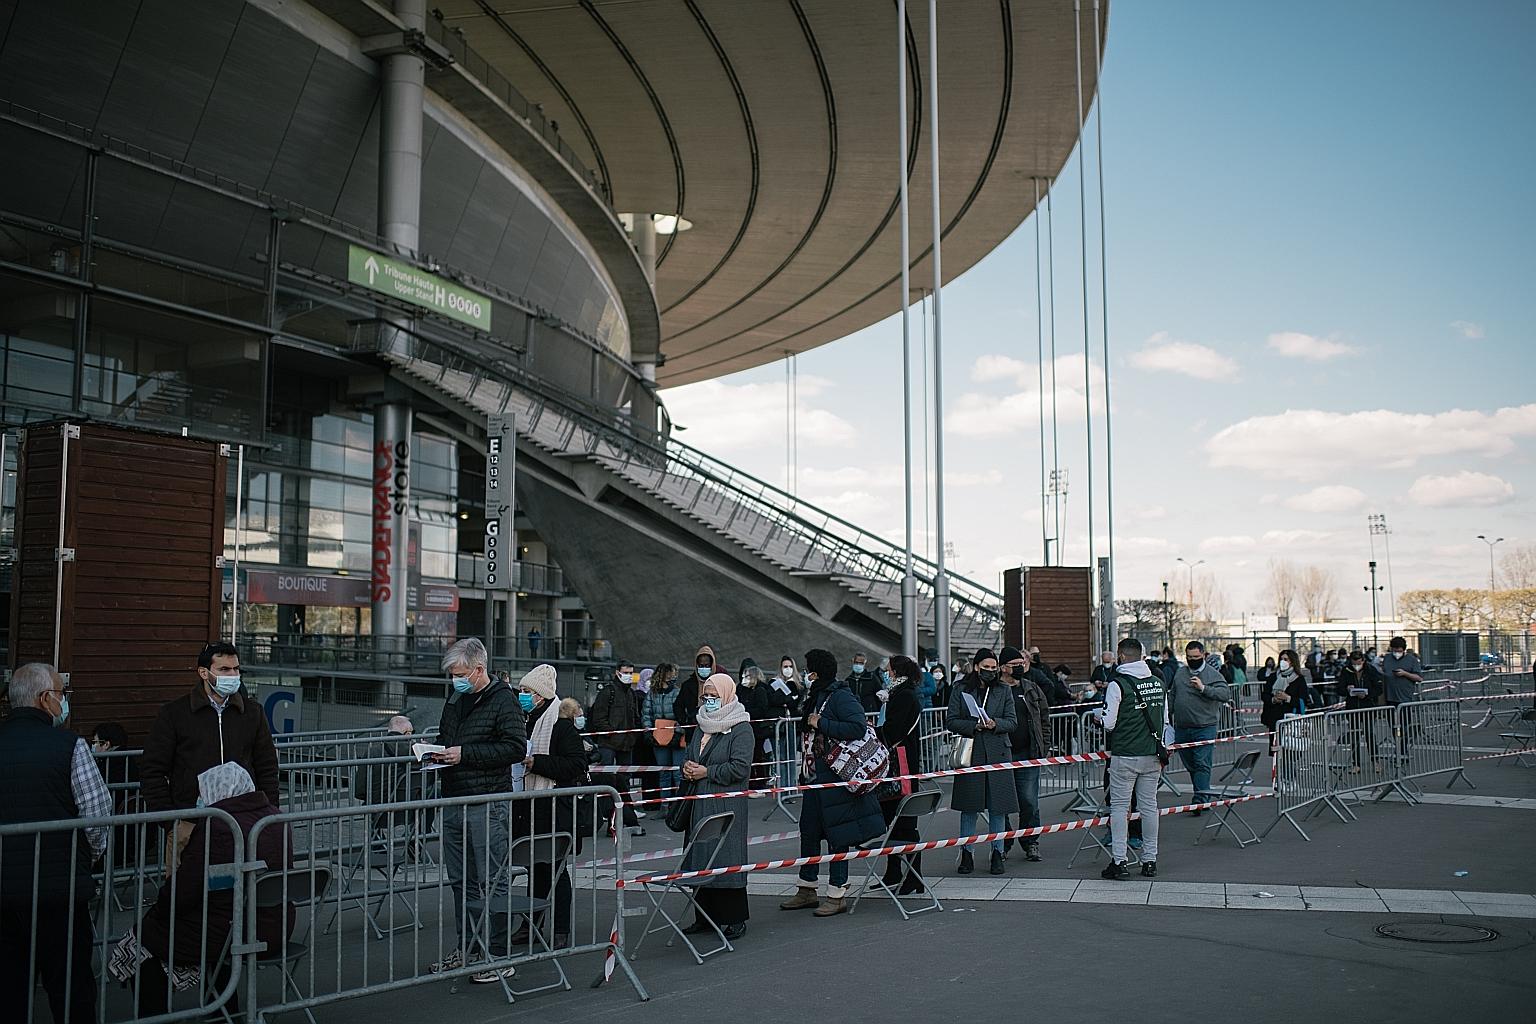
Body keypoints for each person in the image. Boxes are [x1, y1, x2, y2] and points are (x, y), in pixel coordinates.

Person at [127, 763, 292, 1018]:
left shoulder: (218, 826)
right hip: (275, 926)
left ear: (219, 792)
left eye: (203, 792)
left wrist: (160, 909)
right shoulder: (275, 819)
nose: (200, 799)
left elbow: (182, 893)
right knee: (210, 933)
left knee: (147, 942)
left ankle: (155, 1015)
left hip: (232, 931)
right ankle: (223, 1011)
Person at [0, 663, 111, 1024]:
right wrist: (84, 859)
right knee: (71, 989)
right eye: (62, 694)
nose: (64, 702)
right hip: (59, 891)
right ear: (46, 699)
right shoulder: (71, 745)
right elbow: (97, 814)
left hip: (4, 893)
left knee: (9, 989)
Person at [429, 638, 527, 979]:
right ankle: (468, 948)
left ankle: (498, 956)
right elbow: (447, 736)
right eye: (452, 674)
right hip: (455, 798)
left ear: (479, 669)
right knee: (462, 881)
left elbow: (515, 748)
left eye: (459, 673)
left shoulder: (504, 700)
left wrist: (464, 754)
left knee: (494, 880)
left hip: (487, 803)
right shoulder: (456, 698)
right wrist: (436, 754)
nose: (454, 680)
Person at [141, 642, 280, 874]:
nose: (233, 675)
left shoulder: (252, 712)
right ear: (204, 673)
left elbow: (266, 766)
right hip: (190, 824)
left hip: (244, 822)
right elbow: (152, 770)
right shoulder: (175, 714)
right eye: (225, 670)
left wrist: (269, 812)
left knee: (238, 895)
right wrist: (172, 822)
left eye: (236, 669)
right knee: (184, 896)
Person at [779, 649, 884, 917]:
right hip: (816, 777)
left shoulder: (840, 695)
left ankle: (837, 893)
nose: (805, 673)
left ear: (817, 672)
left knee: (839, 835)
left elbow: (857, 727)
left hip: (836, 778)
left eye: (808, 668)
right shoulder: (816, 695)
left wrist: (821, 722)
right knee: (809, 830)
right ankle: (807, 887)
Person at [510, 666, 589, 959]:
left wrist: (536, 763)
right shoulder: (529, 721)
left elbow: (576, 765)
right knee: (535, 869)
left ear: (541, 695)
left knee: (556, 871)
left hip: (555, 809)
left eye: (527, 692)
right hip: (531, 806)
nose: (523, 696)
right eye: (521, 691)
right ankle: (531, 924)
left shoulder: (561, 725)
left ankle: (560, 929)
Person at [678, 673, 754, 940]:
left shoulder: (742, 727)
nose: (709, 700)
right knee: (701, 858)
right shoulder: (701, 725)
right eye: (705, 696)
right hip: (700, 803)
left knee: (727, 858)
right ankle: (704, 917)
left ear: (726, 694)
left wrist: (706, 772)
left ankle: (734, 920)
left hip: (726, 804)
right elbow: (690, 757)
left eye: (713, 696)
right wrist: (687, 768)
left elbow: (740, 767)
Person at [1093, 638, 1168, 880]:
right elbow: (1165, 721)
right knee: (1149, 808)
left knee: (1119, 808)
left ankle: (1120, 861)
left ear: (1121, 656)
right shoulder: (1158, 683)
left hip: (1125, 754)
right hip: (1152, 754)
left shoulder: (1118, 684)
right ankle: (1150, 861)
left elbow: (1109, 722)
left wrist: (1097, 717)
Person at [946, 648, 1019, 876]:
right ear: (976, 667)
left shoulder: (1003, 690)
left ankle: (997, 852)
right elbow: (951, 720)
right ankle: (966, 853)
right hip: (973, 752)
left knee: (998, 808)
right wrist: (974, 726)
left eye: (993, 667)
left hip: (998, 752)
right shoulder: (960, 689)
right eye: (985, 667)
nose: (989, 671)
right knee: (969, 807)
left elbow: (1012, 722)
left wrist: (994, 723)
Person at [876, 655, 927, 891]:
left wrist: (873, 733)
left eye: (888, 671)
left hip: (902, 765)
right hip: (900, 763)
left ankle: (913, 876)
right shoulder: (901, 693)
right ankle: (893, 872)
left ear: (896, 672)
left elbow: (894, 730)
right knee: (893, 821)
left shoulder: (905, 696)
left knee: (905, 822)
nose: (885, 674)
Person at [1168, 641, 1232, 809]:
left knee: (1202, 763)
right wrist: (1168, 717)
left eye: (1196, 657)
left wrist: (1204, 688)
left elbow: (1225, 694)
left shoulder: (1213, 674)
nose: (1192, 660)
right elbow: (1173, 694)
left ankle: (1200, 799)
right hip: (1182, 727)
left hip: (1205, 726)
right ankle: (1202, 793)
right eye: (1189, 657)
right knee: (1191, 764)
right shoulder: (1180, 673)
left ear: (1203, 655)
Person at [1000, 647, 1049, 863]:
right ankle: (1004, 841)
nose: (1021, 668)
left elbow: (1044, 718)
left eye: (1023, 663)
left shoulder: (1031, 688)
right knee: (1001, 802)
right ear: (1003, 668)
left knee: (1029, 801)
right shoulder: (996, 690)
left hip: (1028, 753)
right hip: (1002, 755)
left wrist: (1044, 745)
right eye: (1015, 665)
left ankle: (1031, 842)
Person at [643, 663, 686, 798]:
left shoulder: (678, 693)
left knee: (678, 773)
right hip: (658, 736)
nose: (672, 678)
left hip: (676, 736)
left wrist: (678, 733)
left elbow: (683, 715)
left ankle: (679, 805)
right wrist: (648, 732)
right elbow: (646, 713)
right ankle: (664, 804)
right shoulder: (652, 694)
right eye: (670, 675)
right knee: (663, 773)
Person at [1339, 651, 1384, 770]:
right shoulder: (1346, 671)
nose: (1356, 665)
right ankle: (1356, 763)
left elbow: (1378, 689)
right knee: (1355, 736)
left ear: (1363, 661)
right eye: (1354, 663)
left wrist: (1367, 694)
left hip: (1368, 707)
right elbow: (1340, 689)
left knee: (1369, 734)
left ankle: (1376, 761)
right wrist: (1347, 689)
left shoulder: (1371, 670)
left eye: (1358, 663)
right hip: (1352, 708)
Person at [736, 663, 779, 789]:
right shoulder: (744, 690)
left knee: (757, 756)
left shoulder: (760, 690)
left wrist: (745, 712)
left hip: (758, 729)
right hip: (751, 728)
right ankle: (754, 780)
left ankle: (759, 781)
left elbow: (762, 709)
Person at [1262, 649, 1308, 753]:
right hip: (1275, 718)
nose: (1283, 661)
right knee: (1276, 750)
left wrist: (1287, 698)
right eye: (1281, 659)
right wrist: (1273, 699)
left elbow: (1303, 699)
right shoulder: (1273, 677)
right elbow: (1265, 695)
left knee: (1291, 751)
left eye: (1286, 659)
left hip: (1291, 719)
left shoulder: (1299, 679)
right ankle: (1278, 768)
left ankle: (1290, 768)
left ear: (1292, 661)